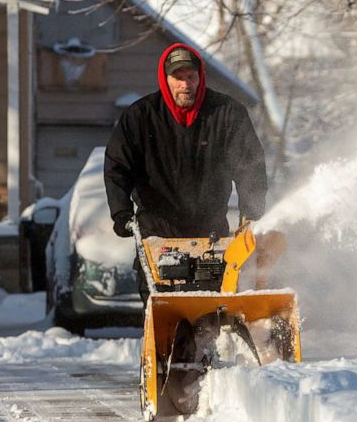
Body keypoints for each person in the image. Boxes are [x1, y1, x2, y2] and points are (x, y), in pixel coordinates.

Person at [104, 42, 268, 303]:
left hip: (210, 234)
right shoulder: (140, 117)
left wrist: (252, 205)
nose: (185, 84)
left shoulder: (226, 114)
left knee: (212, 310)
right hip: (157, 235)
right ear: (165, 79)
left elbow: (249, 162)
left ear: (200, 77)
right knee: (161, 312)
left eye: (190, 77)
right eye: (177, 78)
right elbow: (117, 167)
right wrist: (120, 211)